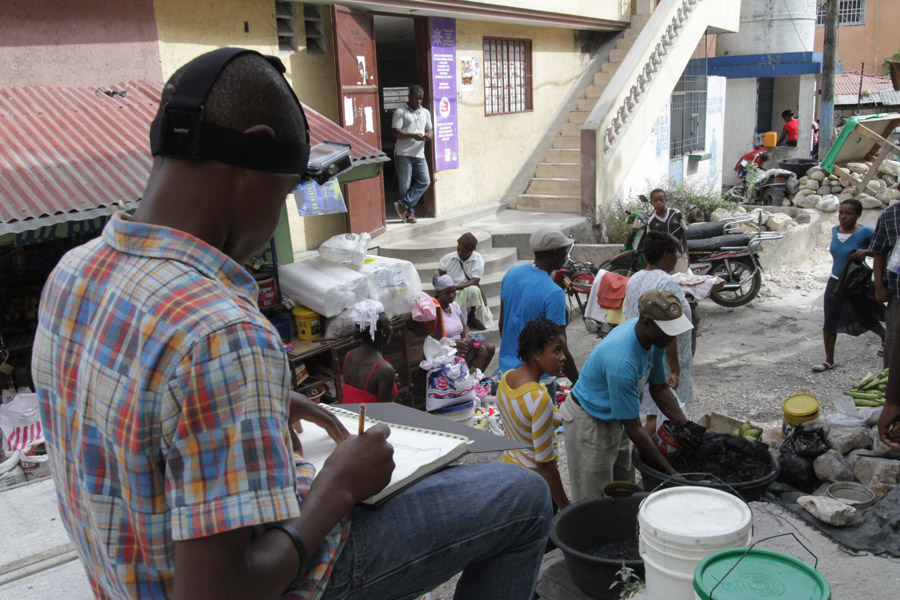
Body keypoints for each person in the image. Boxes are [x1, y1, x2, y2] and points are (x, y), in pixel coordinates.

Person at [31, 49, 552, 600]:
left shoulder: (74, 274)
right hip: (290, 577)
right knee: (522, 498)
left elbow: (141, 415)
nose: (277, 213)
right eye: (282, 192)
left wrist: (263, 400)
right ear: (250, 156)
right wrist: (337, 487)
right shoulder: (220, 332)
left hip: (123, 580)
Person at [561, 289, 692, 501]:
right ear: (647, 323)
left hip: (615, 416)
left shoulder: (655, 339)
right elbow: (634, 428)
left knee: (625, 488)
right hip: (589, 421)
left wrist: (688, 429)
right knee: (594, 498)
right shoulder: (622, 361)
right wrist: (673, 474)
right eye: (668, 330)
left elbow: (659, 388)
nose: (672, 336)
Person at [623, 232, 694, 434]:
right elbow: (668, 328)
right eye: (675, 254)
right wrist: (675, 369)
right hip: (663, 358)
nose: (676, 258)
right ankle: (642, 455)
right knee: (664, 417)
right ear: (666, 255)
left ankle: (645, 453)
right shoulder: (667, 283)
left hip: (645, 354)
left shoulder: (635, 278)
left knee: (654, 413)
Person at [497, 317, 571, 510]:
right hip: (534, 484)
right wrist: (566, 506)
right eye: (556, 350)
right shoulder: (539, 399)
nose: (563, 356)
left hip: (510, 470)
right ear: (537, 353)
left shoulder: (506, 379)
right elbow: (545, 464)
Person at [499, 226, 580, 390]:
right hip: (538, 380)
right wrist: (580, 385)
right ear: (556, 253)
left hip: (506, 373)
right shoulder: (553, 293)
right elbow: (560, 346)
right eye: (565, 250)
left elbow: (502, 324)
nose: (566, 254)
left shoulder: (511, 273)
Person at [813, 199, 885, 372]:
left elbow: (882, 250)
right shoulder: (834, 230)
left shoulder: (866, 232)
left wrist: (866, 252)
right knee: (830, 319)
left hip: (855, 283)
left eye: (849, 213)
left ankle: (885, 337)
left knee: (864, 315)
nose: (843, 217)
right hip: (835, 281)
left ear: (858, 215)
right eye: (841, 213)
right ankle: (828, 360)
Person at [433, 275, 495, 374]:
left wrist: (467, 336)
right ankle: (468, 381)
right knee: (482, 350)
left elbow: (464, 326)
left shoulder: (454, 306)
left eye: (453, 291)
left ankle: (478, 377)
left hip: (461, 344)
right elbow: (436, 339)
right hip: (448, 349)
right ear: (438, 293)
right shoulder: (435, 311)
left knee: (490, 347)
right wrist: (454, 342)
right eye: (447, 292)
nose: (452, 295)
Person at [341, 300, 398, 403]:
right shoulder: (384, 370)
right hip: (367, 419)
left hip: (348, 418)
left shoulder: (348, 356)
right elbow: (386, 412)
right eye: (389, 324)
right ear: (383, 332)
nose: (392, 327)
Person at [392, 84, 432, 224]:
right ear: (410, 97)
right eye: (416, 98)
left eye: (421, 99)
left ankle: (403, 205)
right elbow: (395, 131)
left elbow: (430, 129)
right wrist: (413, 136)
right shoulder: (400, 112)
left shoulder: (425, 112)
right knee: (405, 185)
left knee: (425, 181)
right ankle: (409, 214)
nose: (419, 101)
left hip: (419, 154)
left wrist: (428, 136)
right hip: (403, 153)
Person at [437, 232, 491, 330]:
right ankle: (459, 324)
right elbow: (441, 275)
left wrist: (456, 287)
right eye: (459, 249)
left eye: (464, 251)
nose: (460, 252)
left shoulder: (477, 259)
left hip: (465, 288)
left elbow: (475, 280)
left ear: (471, 251)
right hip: (451, 292)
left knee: (474, 290)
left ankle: (471, 318)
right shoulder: (448, 258)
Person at [870, 199, 900, 367]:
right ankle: (890, 383)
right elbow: (879, 252)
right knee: (894, 338)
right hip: (897, 291)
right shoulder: (890, 214)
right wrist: (879, 286)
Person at [645, 188, 690, 273]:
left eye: (661, 200)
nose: (659, 202)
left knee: (682, 282)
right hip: (664, 260)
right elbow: (650, 242)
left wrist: (687, 254)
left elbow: (683, 234)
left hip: (680, 256)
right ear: (651, 203)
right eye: (655, 200)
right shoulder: (651, 222)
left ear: (665, 200)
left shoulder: (676, 214)